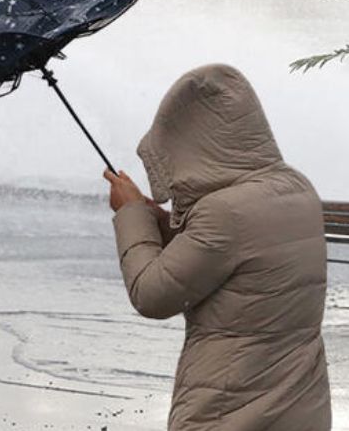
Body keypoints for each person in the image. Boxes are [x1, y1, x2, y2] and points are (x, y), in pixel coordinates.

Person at [103, 63, 330, 430]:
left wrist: (131, 214)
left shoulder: (224, 212)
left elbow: (152, 295)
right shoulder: (296, 187)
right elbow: (234, 260)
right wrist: (157, 219)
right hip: (300, 406)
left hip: (230, 407)